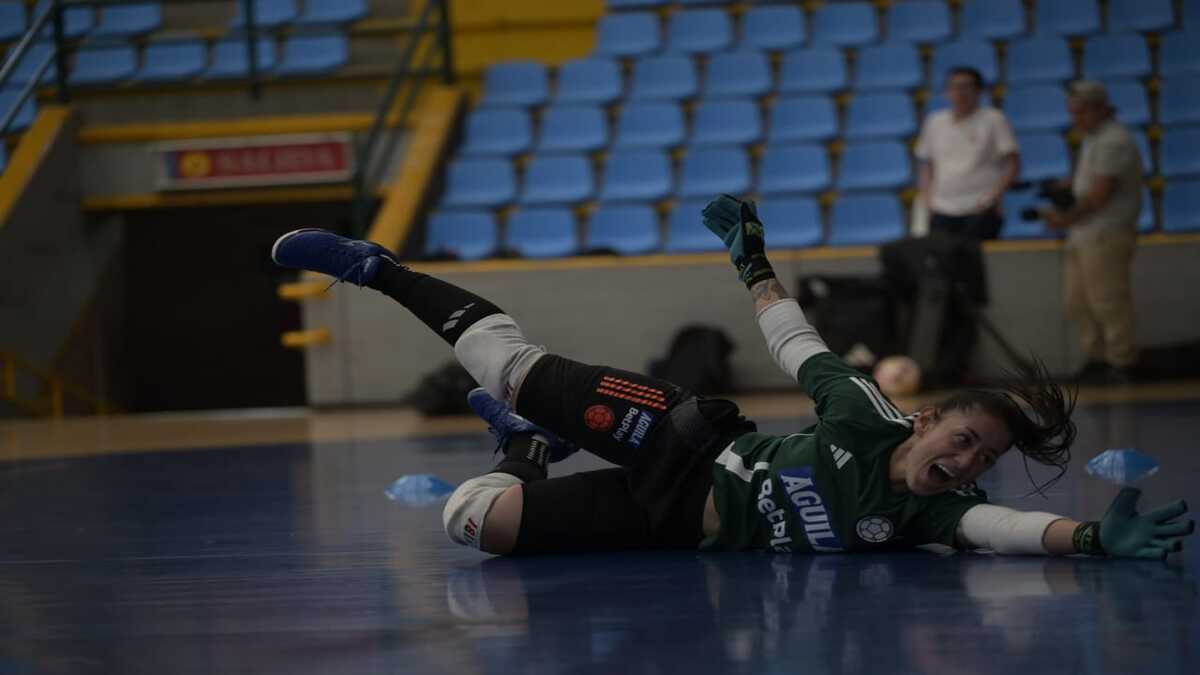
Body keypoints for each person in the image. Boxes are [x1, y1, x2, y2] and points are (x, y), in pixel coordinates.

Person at [270, 195, 1192, 559]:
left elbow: (1012, 527)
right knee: (512, 369)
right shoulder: (867, 414)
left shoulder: (931, 514)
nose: (963, 463)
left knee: (470, 523)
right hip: (687, 440)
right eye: (961, 439)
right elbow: (796, 344)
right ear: (921, 421)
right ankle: (378, 269)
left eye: (979, 459)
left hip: (665, 520)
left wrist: (1089, 540)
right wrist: (753, 260)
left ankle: (519, 452)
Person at [1043, 81, 1144, 384]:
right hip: (1084, 233)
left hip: (1106, 231)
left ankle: (1122, 361)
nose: (1075, 119)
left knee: (1108, 300)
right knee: (1077, 301)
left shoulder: (1114, 140)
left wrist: (1063, 218)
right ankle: (1096, 358)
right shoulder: (1093, 139)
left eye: (1081, 112)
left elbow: (1100, 195)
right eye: (1072, 112)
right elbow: (1088, 186)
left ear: (1100, 108)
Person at [916, 66, 1020, 241]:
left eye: (966, 86)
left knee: (975, 264)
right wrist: (928, 200)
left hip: (981, 207)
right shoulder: (934, 122)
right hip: (942, 207)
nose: (960, 92)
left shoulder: (994, 119)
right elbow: (927, 164)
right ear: (946, 92)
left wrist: (995, 196)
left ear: (978, 91)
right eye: (954, 87)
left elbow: (1012, 162)